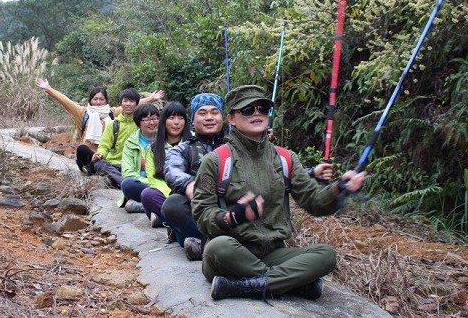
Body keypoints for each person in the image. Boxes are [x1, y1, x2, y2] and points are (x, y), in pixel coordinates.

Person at [192, 85, 366, 301]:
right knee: (217, 247)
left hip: (274, 253)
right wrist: (231, 217)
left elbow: (315, 202)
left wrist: (339, 187)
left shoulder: (285, 158)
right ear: (231, 119)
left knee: (326, 255)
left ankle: (246, 286)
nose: (257, 113)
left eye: (263, 108)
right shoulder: (216, 160)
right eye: (247, 110)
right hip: (233, 252)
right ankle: (290, 284)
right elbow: (202, 214)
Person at [34, 78, 164, 172]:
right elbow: (66, 101)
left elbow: (131, 104)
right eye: (95, 99)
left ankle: (99, 169)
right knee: (81, 149)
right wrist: (48, 89)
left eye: (101, 99)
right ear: (90, 100)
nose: (98, 102)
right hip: (90, 154)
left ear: (106, 101)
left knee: (103, 164)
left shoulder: (113, 113)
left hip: (106, 156)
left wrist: (152, 98)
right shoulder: (83, 113)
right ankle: (91, 168)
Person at [162, 93, 226, 260]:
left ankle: (203, 245)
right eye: (202, 113)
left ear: (223, 117)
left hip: (229, 210)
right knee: (173, 204)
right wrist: (191, 186)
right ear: (193, 119)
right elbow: (172, 170)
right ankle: (209, 242)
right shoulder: (182, 149)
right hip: (197, 209)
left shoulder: (234, 146)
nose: (209, 117)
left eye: (214, 112)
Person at [141, 101, 191, 228]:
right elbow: (154, 179)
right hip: (166, 195)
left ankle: (165, 220)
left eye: (181, 118)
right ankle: (176, 221)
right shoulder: (153, 149)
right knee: (148, 194)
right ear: (164, 121)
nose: (176, 122)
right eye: (172, 118)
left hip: (190, 195)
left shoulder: (193, 144)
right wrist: (170, 194)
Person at [120, 103, 160, 213]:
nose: (152, 123)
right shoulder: (130, 143)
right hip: (143, 184)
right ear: (139, 122)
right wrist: (150, 182)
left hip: (163, 183)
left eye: (154, 118)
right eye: (147, 120)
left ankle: (144, 206)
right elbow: (127, 172)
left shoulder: (165, 139)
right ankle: (159, 204)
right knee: (127, 184)